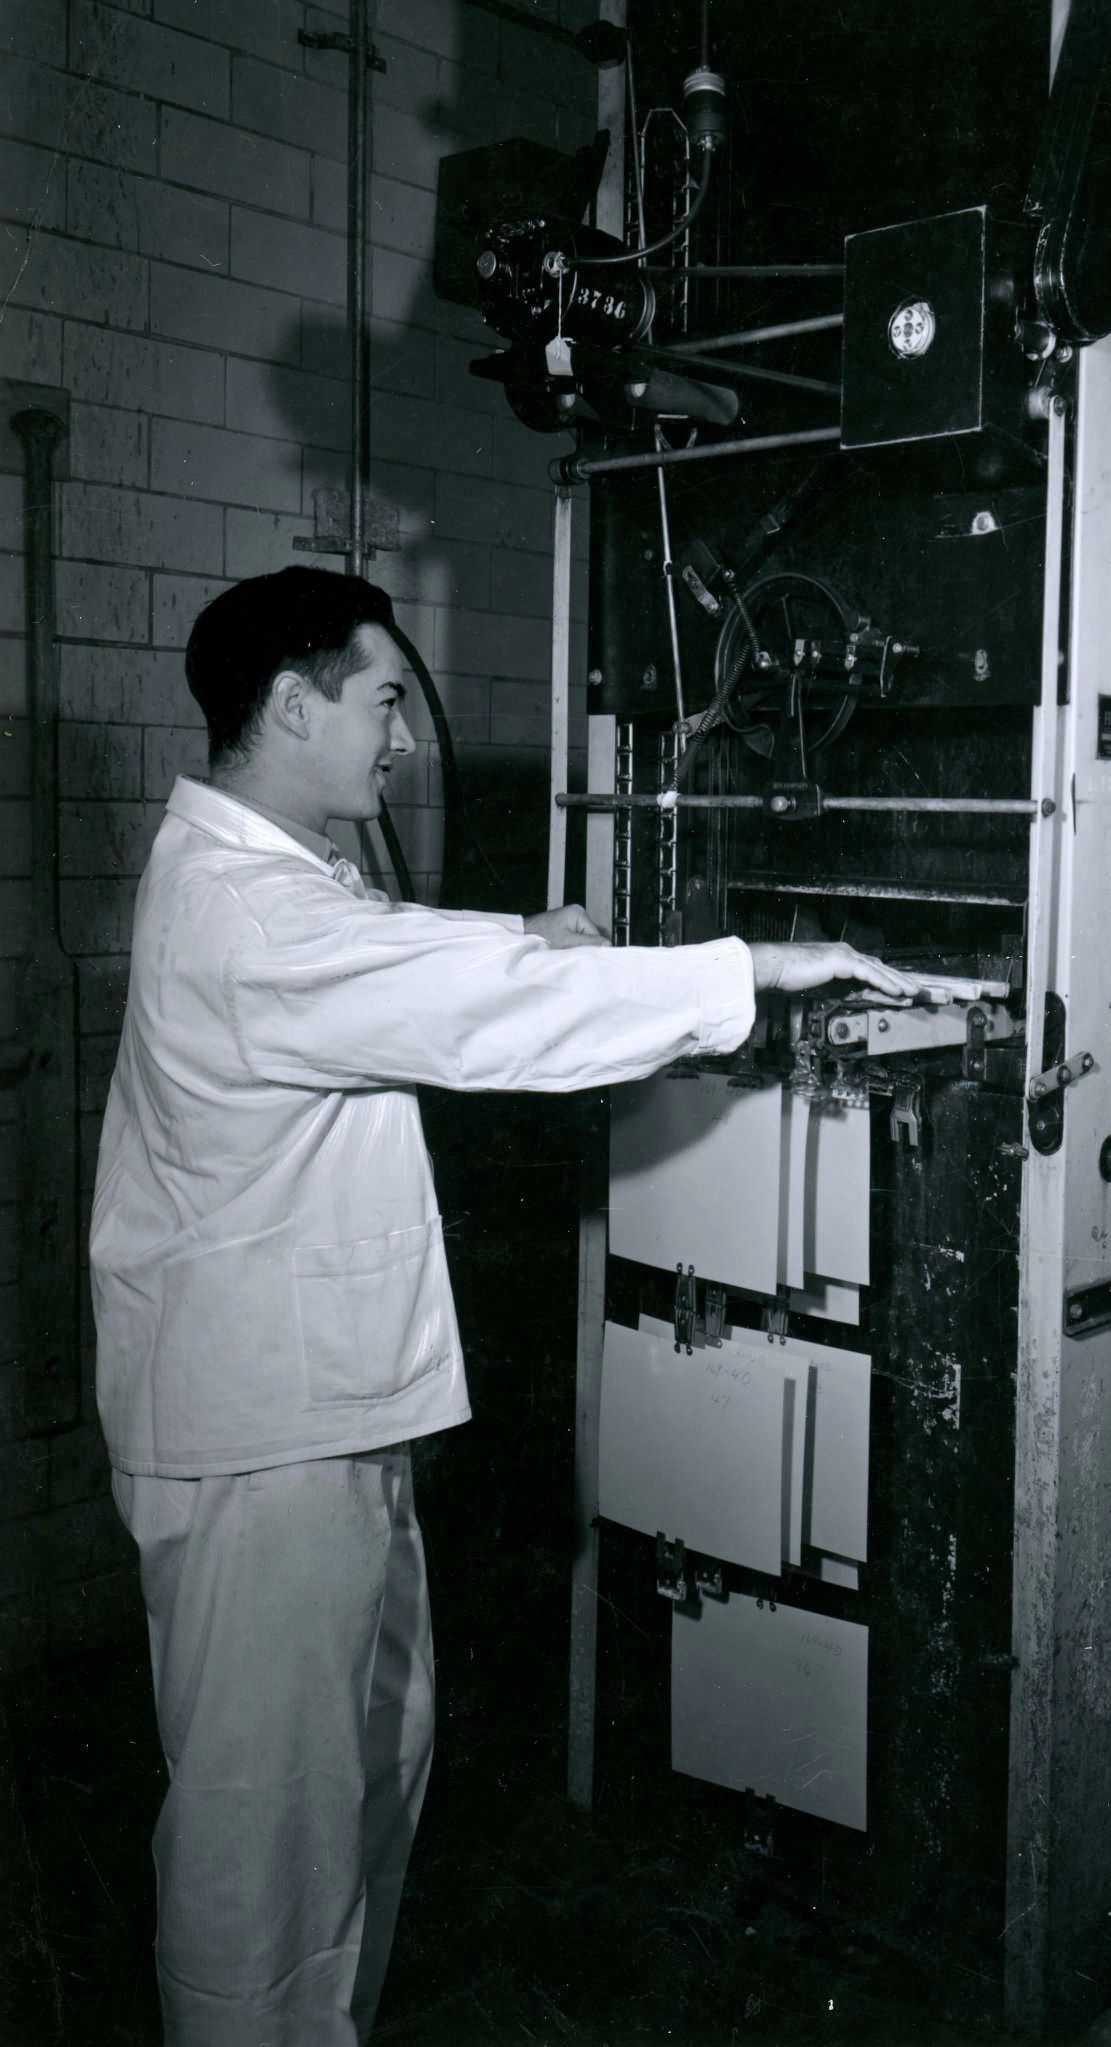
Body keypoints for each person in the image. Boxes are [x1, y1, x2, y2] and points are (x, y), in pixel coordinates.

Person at [89, 565, 923, 2046]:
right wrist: (758, 970)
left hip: (311, 1417)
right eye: (382, 699)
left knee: (365, 1767)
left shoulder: (274, 878)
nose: (405, 734)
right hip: (260, 1442)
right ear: (292, 707)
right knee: (263, 1840)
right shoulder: (245, 910)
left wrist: (530, 941)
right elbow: (449, 1005)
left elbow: (400, 966)